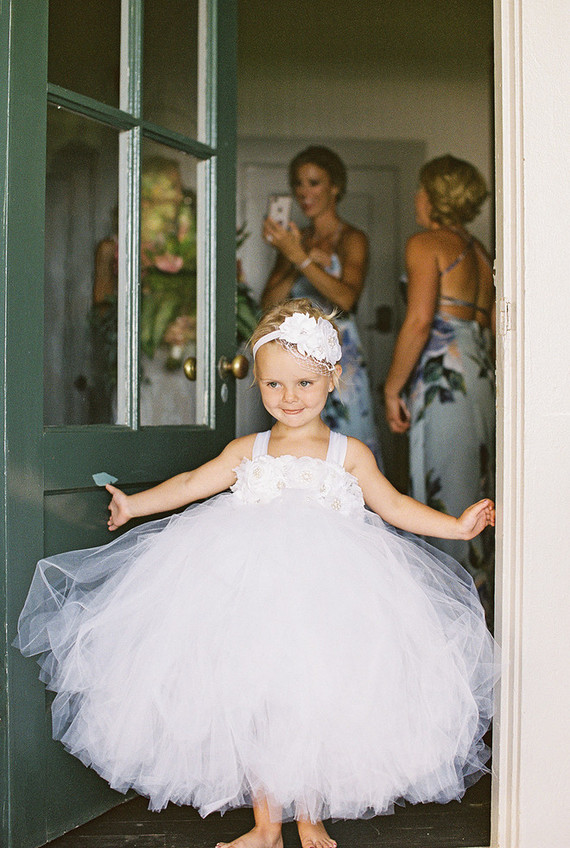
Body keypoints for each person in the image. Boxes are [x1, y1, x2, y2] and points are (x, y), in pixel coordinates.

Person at [15, 299, 497, 848]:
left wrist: (457, 527)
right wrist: (135, 505)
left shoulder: (350, 453)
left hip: (331, 596)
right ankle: (266, 824)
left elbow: (394, 506)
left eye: (303, 383)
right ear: (258, 385)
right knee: (258, 699)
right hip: (250, 594)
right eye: (273, 386)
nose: (289, 398)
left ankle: (310, 819)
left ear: (333, 379)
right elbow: (195, 481)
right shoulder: (250, 449)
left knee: (316, 695)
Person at [384, 154, 495, 621]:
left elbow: (419, 321)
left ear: (433, 195)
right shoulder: (480, 252)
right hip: (478, 375)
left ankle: (445, 616)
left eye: (421, 187)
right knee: (470, 481)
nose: (416, 197)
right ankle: (476, 606)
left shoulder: (426, 242)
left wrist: (392, 388)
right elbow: (485, 325)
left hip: (441, 377)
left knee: (442, 487)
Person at [262, 146, 382, 466]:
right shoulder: (294, 239)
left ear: (335, 187)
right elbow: (268, 304)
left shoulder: (352, 238)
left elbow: (346, 299)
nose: (304, 192)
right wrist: (292, 255)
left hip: (342, 357)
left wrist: (300, 258)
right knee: (299, 447)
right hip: (296, 359)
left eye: (314, 183)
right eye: (298, 184)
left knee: (349, 447)